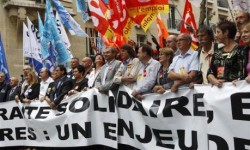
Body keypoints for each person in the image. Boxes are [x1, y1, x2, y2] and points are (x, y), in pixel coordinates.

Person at [207, 20, 245, 87]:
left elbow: (244, 72)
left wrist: (239, 81)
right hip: (219, 91)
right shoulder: (217, 52)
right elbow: (210, 72)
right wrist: (214, 80)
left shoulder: (241, 50)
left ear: (226, 32)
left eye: (218, 32)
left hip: (236, 90)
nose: (216, 35)